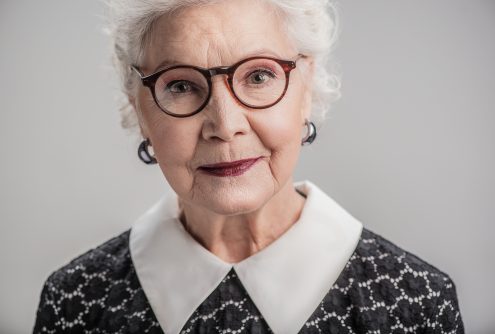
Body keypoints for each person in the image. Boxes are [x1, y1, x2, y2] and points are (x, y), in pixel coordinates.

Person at [33, 0, 464, 333]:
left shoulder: (418, 300)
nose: (225, 126)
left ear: (306, 87)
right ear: (139, 107)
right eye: (181, 85)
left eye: (258, 76)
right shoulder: (74, 302)